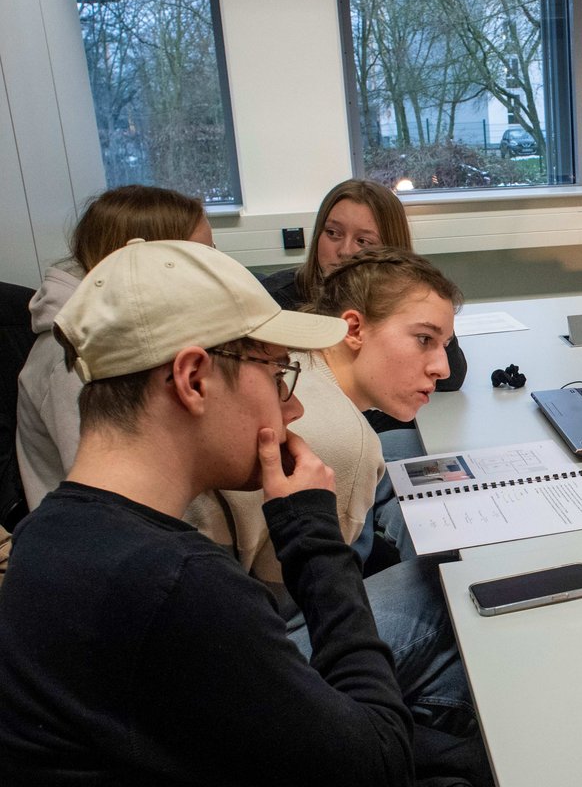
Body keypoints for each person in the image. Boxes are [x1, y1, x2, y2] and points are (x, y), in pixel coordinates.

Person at [0, 239, 428, 784]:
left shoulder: (50, 530)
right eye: (277, 375)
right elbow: (378, 767)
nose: (293, 406)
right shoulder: (175, 584)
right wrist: (315, 542)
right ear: (194, 379)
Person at [184, 247, 485, 757]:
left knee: (398, 453)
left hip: (216, 629)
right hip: (261, 654)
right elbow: (314, 595)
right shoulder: (344, 439)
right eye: (423, 340)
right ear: (354, 328)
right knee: (453, 579)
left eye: (445, 345)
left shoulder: (306, 370)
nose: (439, 366)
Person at [17, 185, 213, 510]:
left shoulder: (142, 327)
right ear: (144, 259)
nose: (215, 270)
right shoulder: (69, 355)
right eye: (200, 257)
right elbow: (109, 494)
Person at [260, 179, 466, 392]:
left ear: (391, 250)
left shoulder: (405, 296)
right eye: (332, 233)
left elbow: (451, 379)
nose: (345, 251)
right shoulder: (275, 303)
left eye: (363, 241)